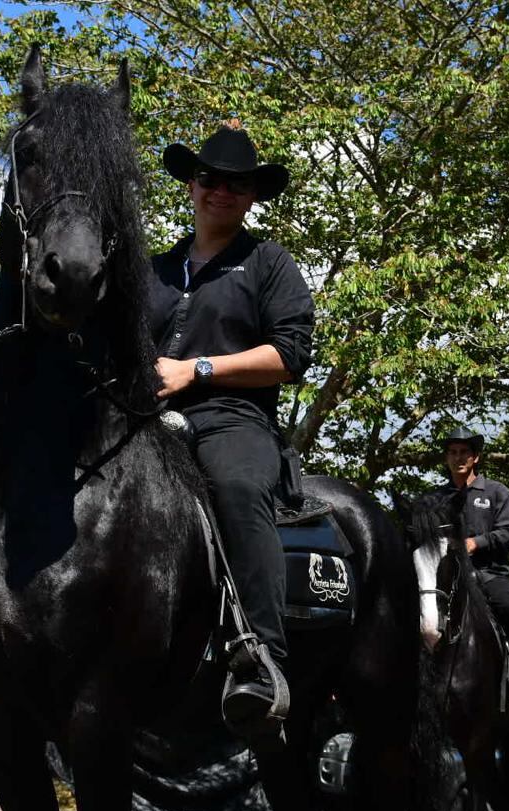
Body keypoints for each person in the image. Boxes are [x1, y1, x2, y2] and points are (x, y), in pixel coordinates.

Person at [150, 122, 314, 742]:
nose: (220, 191)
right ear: (191, 185)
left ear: (251, 197)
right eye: (209, 178)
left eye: (236, 184)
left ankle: (261, 659)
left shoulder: (269, 263)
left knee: (240, 490)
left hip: (231, 417)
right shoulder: (153, 268)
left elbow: (290, 355)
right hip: (143, 415)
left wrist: (196, 369)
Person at [423, 426, 509, 714]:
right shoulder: (434, 499)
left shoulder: (497, 492)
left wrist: (477, 542)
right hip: (443, 577)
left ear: (475, 457)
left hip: (488, 573)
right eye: (452, 452)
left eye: (464, 452)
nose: (458, 458)